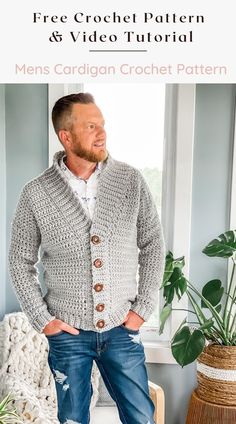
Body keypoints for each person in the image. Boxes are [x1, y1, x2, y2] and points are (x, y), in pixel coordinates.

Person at [8, 92, 165, 424]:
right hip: (68, 335)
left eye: (103, 124)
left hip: (122, 327)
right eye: (91, 126)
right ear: (66, 136)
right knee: (73, 419)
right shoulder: (36, 193)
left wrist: (142, 310)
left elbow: (152, 244)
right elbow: (20, 261)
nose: (102, 133)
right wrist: (44, 319)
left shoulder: (131, 181)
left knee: (141, 418)